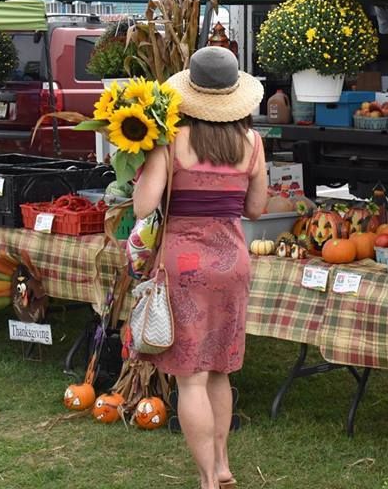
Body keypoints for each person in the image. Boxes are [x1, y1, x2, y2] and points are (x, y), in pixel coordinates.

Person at [133, 47, 267, 489]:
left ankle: (208, 479)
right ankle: (224, 462)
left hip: (185, 263)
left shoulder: (170, 141)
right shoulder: (252, 143)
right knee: (220, 369)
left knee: (190, 378)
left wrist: (145, 163)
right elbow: (257, 208)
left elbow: (143, 206)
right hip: (232, 261)